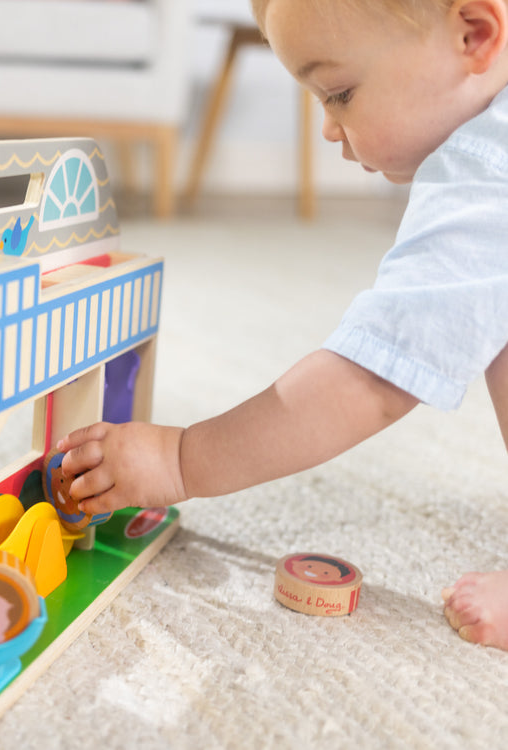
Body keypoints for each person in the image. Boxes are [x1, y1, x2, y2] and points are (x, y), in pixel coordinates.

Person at [57, 0, 508, 651]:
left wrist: (180, 459)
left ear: (474, 33)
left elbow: (372, 380)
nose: (329, 129)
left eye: (341, 93)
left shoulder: (487, 172)